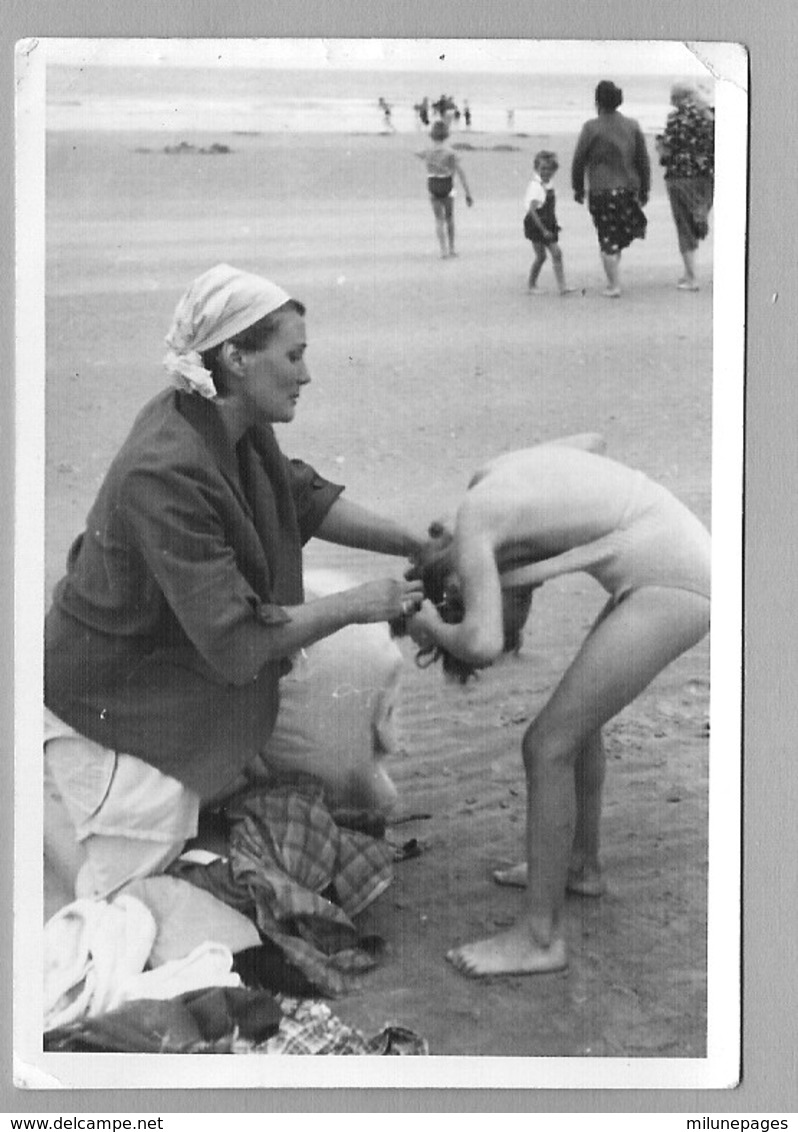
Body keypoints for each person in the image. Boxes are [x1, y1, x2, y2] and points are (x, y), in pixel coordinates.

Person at [43, 263, 425, 919]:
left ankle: (236, 783)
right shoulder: (164, 466)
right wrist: (363, 603)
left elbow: (302, 499)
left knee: (350, 674)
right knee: (128, 895)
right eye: (294, 356)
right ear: (236, 357)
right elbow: (238, 639)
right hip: (116, 688)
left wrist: (417, 546)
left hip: (183, 656)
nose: (306, 374)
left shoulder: (228, 424)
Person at [404, 436, 711, 976]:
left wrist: (430, 626)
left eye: (464, 594)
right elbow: (592, 440)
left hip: (675, 583)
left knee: (547, 746)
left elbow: (481, 643)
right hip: (675, 561)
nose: (484, 595)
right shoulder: (492, 471)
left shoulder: (478, 517)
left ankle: (539, 939)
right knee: (577, 723)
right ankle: (580, 865)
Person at [571, 80, 651, 298]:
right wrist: (645, 189)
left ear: (597, 101)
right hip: (627, 189)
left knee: (606, 236)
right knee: (617, 235)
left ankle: (614, 285)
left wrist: (577, 188)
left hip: (600, 190)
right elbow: (643, 160)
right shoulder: (632, 125)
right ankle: (614, 280)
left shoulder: (591, 127)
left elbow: (579, 160)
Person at [656, 79, 715, 291]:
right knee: (697, 211)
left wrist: (660, 147)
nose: (672, 103)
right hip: (706, 176)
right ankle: (700, 213)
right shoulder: (709, 116)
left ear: (682, 98)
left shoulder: (676, 118)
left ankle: (691, 278)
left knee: (684, 226)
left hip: (680, 176)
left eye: (674, 98)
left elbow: (668, 150)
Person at [415, 120, 474, 258]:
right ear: (446, 135)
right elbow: (460, 173)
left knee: (438, 220)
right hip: (446, 185)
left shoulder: (428, 151)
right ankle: (452, 248)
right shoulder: (450, 153)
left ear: (432, 135)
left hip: (433, 184)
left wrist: (430, 159)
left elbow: (417, 153)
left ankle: (443, 250)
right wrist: (468, 194)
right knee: (449, 218)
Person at [523, 150, 575, 296]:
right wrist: (543, 230)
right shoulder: (536, 186)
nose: (545, 172)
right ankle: (531, 285)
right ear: (536, 169)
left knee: (556, 253)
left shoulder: (549, 184)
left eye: (549, 169)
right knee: (541, 256)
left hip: (548, 222)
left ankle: (562, 286)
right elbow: (532, 211)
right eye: (542, 169)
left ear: (554, 170)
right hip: (536, 224)